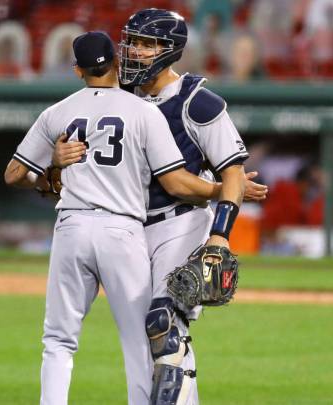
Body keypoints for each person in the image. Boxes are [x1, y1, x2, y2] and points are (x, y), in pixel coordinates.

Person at [4, 31, 241, 405]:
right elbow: (176, 182)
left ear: (76, 70)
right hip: (122, 229)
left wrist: (53, 166)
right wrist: (222, 189)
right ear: (117, 62)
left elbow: (14, 175)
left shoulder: (58, 112)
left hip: (71, 226)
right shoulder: (143, 111)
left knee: (58, 340)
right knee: (138, 340)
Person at [53, 9, 267, 404]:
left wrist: (220, 235)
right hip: (128, 226)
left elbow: (233, 170)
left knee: (163, 320)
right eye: (132, 41)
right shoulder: (119, 96)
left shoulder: (198, 103)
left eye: (148, 44)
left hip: (180, 222)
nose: (135, 50)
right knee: (151, 337)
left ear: (172, 50)